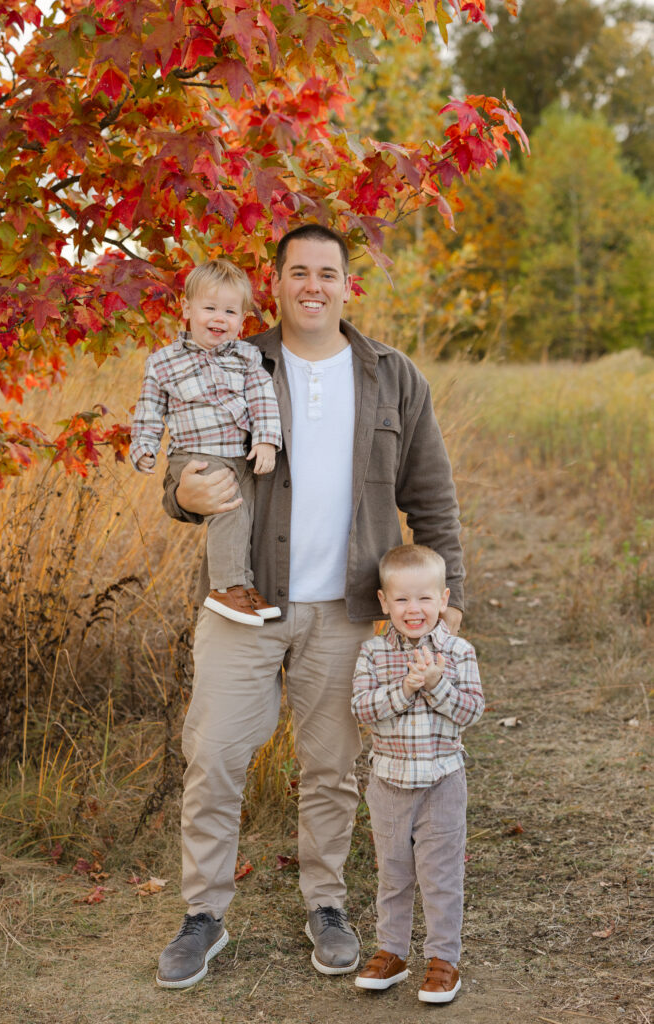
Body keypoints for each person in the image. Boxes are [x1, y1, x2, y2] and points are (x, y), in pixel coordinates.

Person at [155, 223, 466, 990]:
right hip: (245, 604)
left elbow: (430, 494)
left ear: (346, 284)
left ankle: (325, 904)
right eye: (299, 272)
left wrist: (448, 591)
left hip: (349, 610)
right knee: (216, 757)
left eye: (327, 272)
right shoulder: (230, 359)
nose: (313, 286)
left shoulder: (392, 376)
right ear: (278, 280)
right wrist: (181, 494)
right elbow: (188, 470)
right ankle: (203, 916)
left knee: (331, 768)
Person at [352, 543, 484, 1004]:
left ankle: (444, 957)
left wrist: (436, 684)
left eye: (425, 598)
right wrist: (405, 688)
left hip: (443, 780)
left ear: (444, 600)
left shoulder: (459, 651)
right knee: (393, 872)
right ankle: (392, 952)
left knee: (440, 873)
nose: (414, 609)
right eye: (402, 599)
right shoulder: (372, 653)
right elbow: (364, 711)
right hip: (388, 782)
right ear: (384, 602)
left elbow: (470, 712)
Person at [130, 259, 282, 626]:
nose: (219, 318)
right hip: (195, 456)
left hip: (238, 457)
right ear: (187, 308)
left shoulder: (247, 357)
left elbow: (263, 399)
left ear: (243, 318)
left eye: (229, 311)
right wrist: (145, 445)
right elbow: (150, 410)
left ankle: (242, 586)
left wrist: (265, 441)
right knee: (227, 509)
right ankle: (226, 587)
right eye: (209, 308)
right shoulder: (164, 362)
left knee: (243, 518)